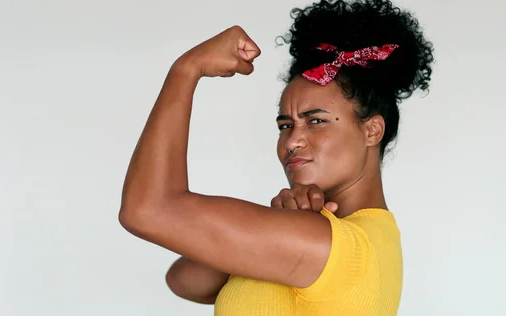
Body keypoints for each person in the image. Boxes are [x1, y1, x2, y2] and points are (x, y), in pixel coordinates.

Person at [118, 0, 433, 314]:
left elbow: (147, 211)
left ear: (372, 131)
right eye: (285, 125)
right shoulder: (343, 235)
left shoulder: (339, 247)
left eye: (316, 120)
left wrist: (187, 69)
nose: (292, 140)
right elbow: (184, 280)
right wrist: (280, 224)